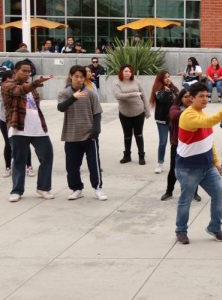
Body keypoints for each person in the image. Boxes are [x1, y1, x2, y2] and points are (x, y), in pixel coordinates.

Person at [174, 83, 222, 244]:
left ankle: (214, 228)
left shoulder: (201, 113)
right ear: (191, 98)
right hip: (188, 168)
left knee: (219, 193)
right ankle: (181, 230)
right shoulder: (188, 116)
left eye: (206, 95)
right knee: (185, 200)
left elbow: (208, 140)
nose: (205, 99)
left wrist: (216, 161)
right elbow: (209, 122)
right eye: (201, 96)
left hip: (207, 166)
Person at [1, 61, 54, 203]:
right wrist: (37, 82)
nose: (27, 74)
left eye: (29, 71)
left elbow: (34, 105)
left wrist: (35, 84)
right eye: (24, 71)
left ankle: (43, 188)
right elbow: (19, 91)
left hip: (37, 128)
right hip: (19, 127)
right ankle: (16, 190)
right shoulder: (7, 85)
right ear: (15, 71)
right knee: (19, 160)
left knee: (47, 156)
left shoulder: (32, 87)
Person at [57, 65, 105, 201]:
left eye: (82, 77)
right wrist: (73, 97)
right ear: (71, 76)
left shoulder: (91, 93)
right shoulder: (64, 93)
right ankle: (76, 189)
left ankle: (98, 188)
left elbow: (97, 113)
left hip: (89, 135)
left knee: (94, 164)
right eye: (76, 76)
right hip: (71, 134)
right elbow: (60, 108)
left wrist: (96, 131)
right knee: (72, 166)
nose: (79, 79)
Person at [160, 89, 200, 202]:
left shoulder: (197, 109)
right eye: (185, 96)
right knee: (174, 168)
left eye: (191, 96)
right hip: (177, 144)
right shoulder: (175, 108)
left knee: (193, 169)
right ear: (180, 98)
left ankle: (194, 193)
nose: (188, 99)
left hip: (193, 144)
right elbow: (174, 116)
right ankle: (169, 191)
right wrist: (191, 110)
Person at [112, 64, 151, 165]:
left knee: (139, 134)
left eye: (129, 71)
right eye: (125, 71)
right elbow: (118, 96)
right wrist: (134, 94)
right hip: (124, 113)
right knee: (127, 135)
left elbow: (144, 96)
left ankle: (141, 156)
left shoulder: (137, 82)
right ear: (121, 72)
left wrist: (147, 110)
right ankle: (127, 155)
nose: (128, 73)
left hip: (139, 112)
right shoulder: (117, 83)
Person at [151, 71, 179, 174]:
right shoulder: (158, 89)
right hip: (162, 120)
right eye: (165, 77)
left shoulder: (173, 88)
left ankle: (176, 163)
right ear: (160, 79)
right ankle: (160, 163)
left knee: (175, 142)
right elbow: (161, 99)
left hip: (173, 120)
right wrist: (166, 92)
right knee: (163, 142)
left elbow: (179, 99)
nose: (168, 79)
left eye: (169, 76)